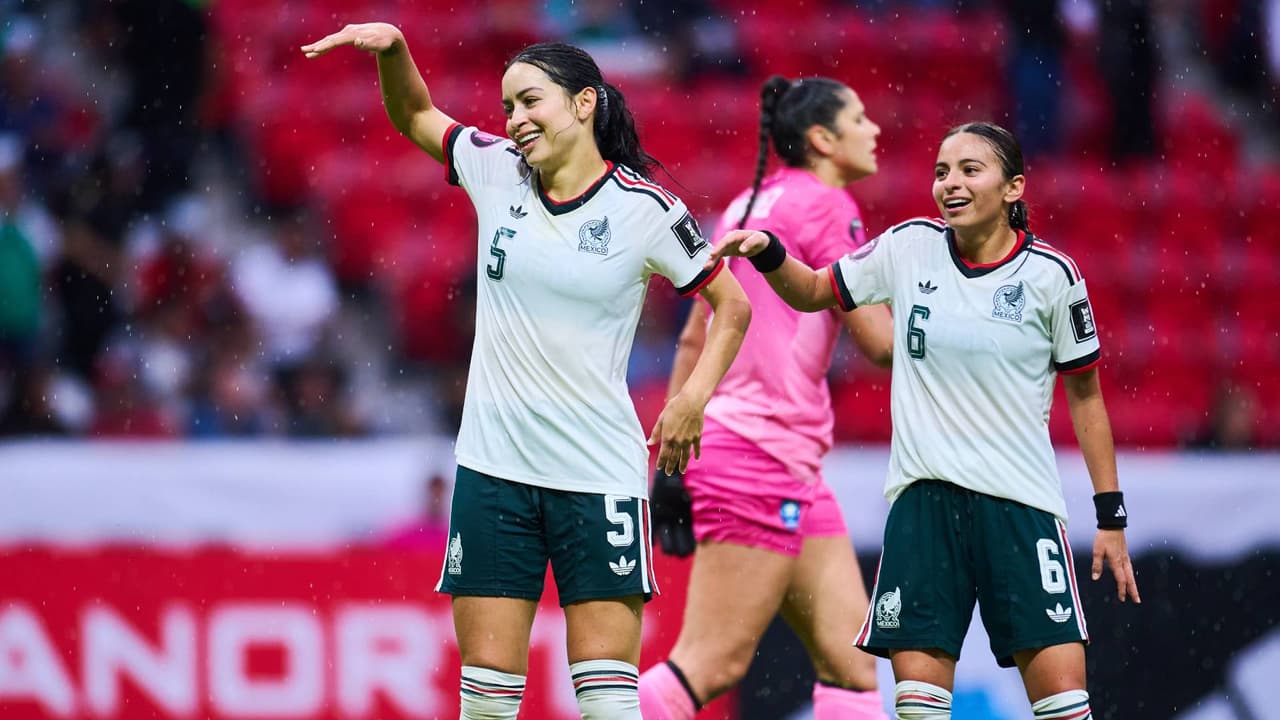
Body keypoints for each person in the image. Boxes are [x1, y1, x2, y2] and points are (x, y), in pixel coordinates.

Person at [301, 24, 751, 720]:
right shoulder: (496, 170)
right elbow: (415, 115)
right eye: (508, 106)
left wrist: (693, 398)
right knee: (486, 704)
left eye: (530, 101)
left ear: (584, 103)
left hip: (597, 476)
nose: (514, 119)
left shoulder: (647, 210)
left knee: (608, 704)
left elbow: (734, 306)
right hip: (494, 472)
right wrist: (396, 50)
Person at [706, 121, 1140, 720]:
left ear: (1014, 188)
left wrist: (1110, 515)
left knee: (1065, 707)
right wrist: (770, 251)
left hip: (1020, 508)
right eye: (941, 172)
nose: (950, 183)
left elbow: (1086, 397)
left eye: (969, 170)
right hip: (923, 508)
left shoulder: (1052, 277)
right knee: (918, 708)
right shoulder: (909, 246)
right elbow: (812, 292)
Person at [638, 75, 893, 720]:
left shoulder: (744, 206)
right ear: (822, 139)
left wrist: (669, 468)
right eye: (859, 118)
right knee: (709, 665)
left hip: (771, 455)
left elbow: (695, 336)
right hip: (760, 452)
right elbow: (882, 342)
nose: (874, 130)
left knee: (853, 666)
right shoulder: (828, 205)